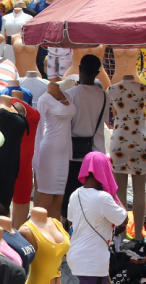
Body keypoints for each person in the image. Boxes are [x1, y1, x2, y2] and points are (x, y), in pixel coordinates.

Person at [65, 152, 127, 284]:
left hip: (80, 255)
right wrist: (116, 197)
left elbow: (73, 219)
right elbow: (122, 218)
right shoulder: (103, 198)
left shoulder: (75, 194)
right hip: (92, 259)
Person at [62, 54, 111, 217]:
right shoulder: (104, 96)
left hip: (73, 155)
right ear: (97, 73)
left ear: (80, 69)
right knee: (91, 205)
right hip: (96, 156)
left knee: (70, 201)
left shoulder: (70, 94)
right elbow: (103, 121)